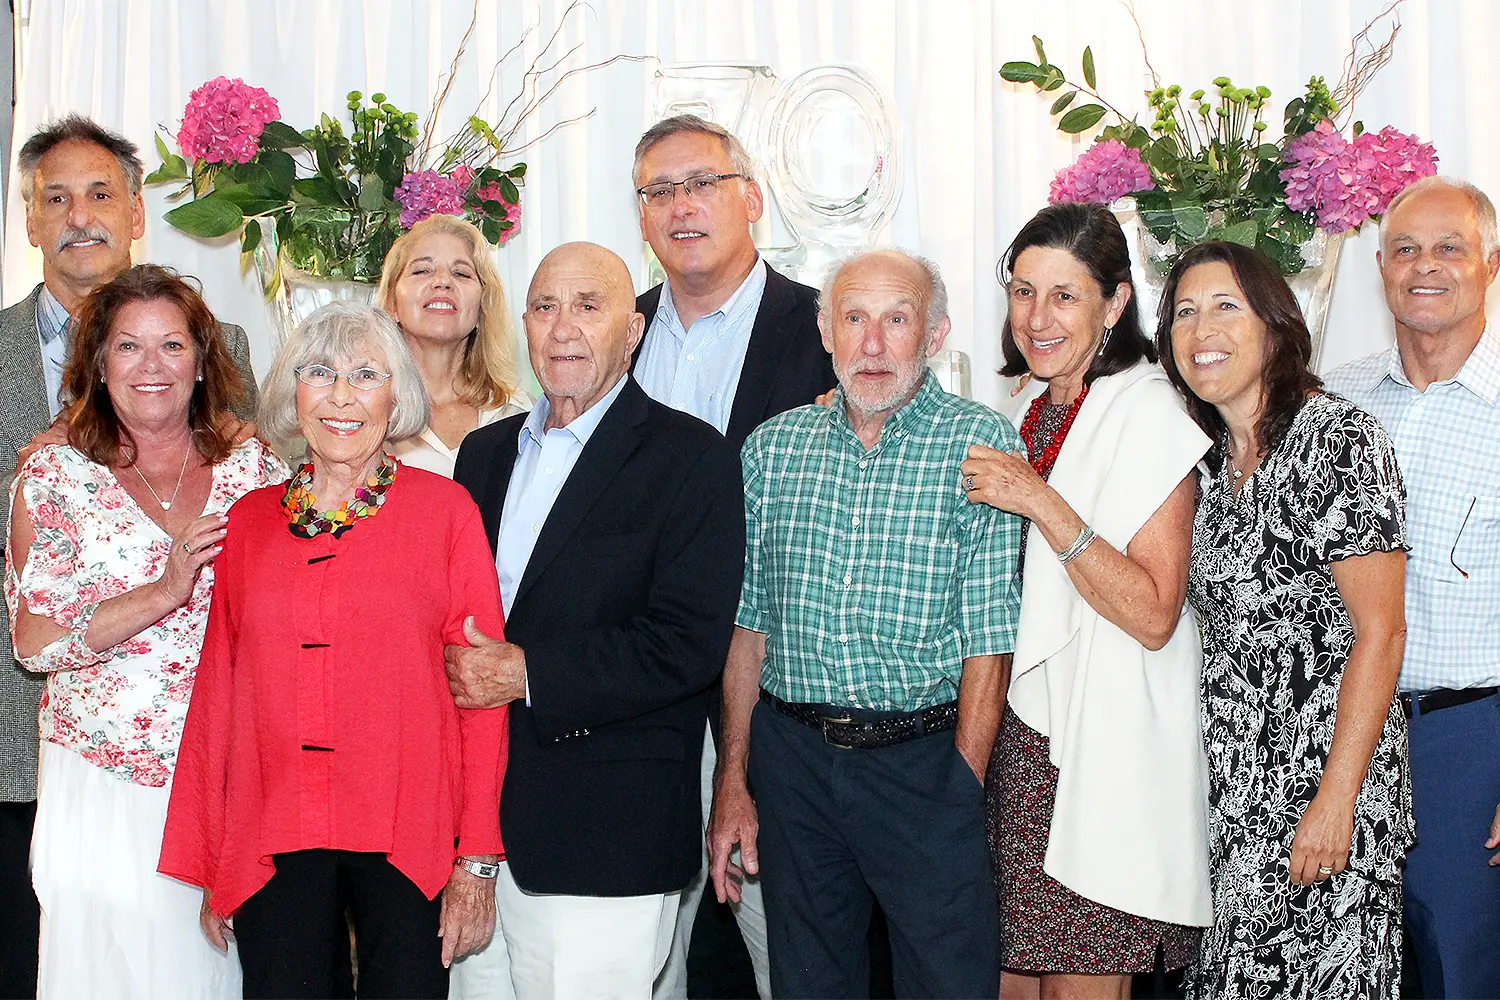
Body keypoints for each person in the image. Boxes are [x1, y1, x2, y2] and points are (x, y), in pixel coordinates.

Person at [158, 302, 510, 1000]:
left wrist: (477, 860)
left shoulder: (446, 513)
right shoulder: (249, 523)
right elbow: (219, 700)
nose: (342, 395)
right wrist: (218, 857)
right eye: (320, 373)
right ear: (295, 393)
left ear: (396, 395)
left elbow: (483, 696)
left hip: (407, 833)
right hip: (275, 834)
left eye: (365, 374)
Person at [708, 248, 1020, 1000]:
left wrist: (960, 787)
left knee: (948, 984)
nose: (873, 343)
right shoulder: (773, 449)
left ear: (936, 333)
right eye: (854, 318)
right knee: (810, 985)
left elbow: (989, 642)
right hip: (794, 766)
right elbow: (749, 631)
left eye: (897, 319)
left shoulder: (980, 445)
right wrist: (735, 780)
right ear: (825, 331)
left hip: (922, 764)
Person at [0, 116, 259, 995]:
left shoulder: (252, 464)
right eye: (127, 346)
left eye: (172, 346)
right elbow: (32, 635)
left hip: (224, 773)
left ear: (201, 361)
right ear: (97, 361)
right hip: (87, 771)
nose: (151, 364)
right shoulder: (51, 470)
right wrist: (161, 588)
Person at [445, 242, 744, 1000]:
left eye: (588, 306)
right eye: (545, 307)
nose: (563, 328)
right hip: (474, 831)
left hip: (605, 833)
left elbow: (688, 643)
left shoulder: (690, 458)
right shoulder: (482, 455)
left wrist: (529, 673)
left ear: (634, 330)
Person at [957, 202, 1212, 1000]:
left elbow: (1152, 611)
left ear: (1115, 302)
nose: (1037, 317)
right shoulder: (1024, 410)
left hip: (1101, 751)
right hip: (1015, 746)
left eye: (1064, 295)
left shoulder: (1151, 411)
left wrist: (1042, 502)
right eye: (1023, 291)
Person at [1159, 241, 1413, 999]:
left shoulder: (1339, 439)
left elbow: (1383, 632)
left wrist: (1336, 800)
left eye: (1225, 306)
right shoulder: (1201, 464)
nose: (1202, 327)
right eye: (1184, 312)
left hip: (1327, 795)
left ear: (1275, 325)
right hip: (1234, 802)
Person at [630, 112, 834, 1000]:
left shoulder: (828, 329)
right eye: (659, 190)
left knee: (789, 951)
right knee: (645, 947)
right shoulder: (612, 333)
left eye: (702, 183)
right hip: (638, 696)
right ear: (640, 216)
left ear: (752, 197)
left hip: (779, 695)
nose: (683, 206)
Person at [1325, 175, 1500, 1000]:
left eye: (1448, 248)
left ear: (1490, 265)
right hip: (1333, 740)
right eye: (1404, 249)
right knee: (1348, 973)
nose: (1423, 266)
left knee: (1460, 974)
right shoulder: (1335, 399)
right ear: (1381, 270)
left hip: (1467, 743)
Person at [378, 214, 530, 478]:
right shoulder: (364, 411)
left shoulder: (517, 414)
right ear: (393, 303)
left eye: (461, 273)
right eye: (422, 270)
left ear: (482, 307)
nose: (442, 281)